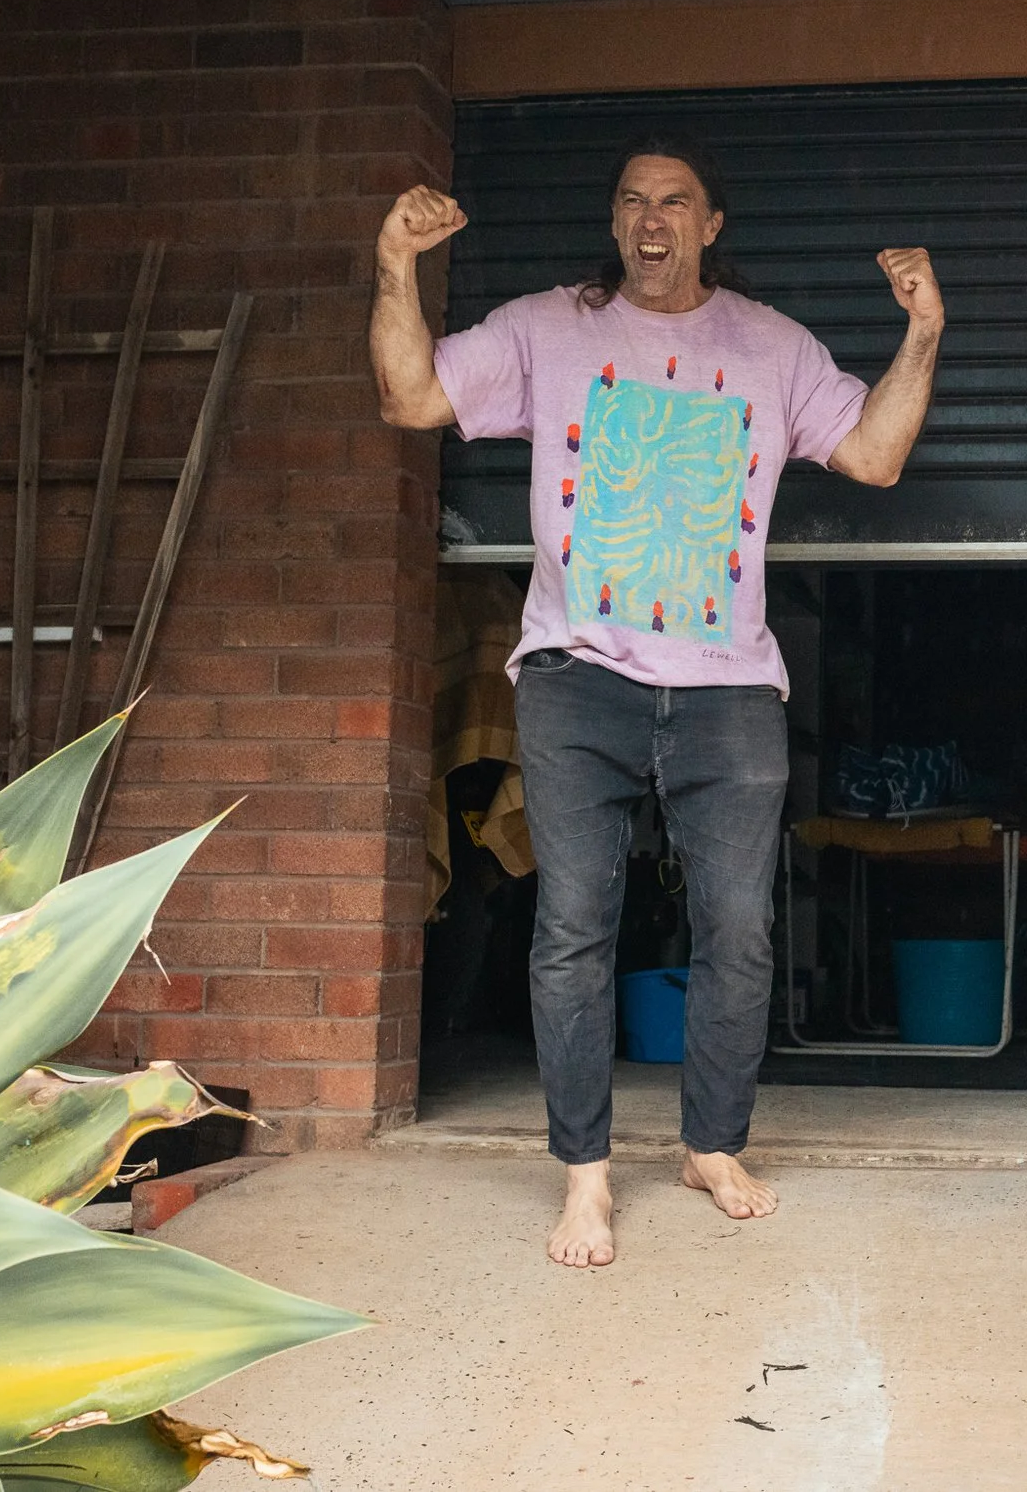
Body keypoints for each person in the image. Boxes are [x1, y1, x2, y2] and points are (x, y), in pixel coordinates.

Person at [368, 133, 944, 1268]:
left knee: (738, 928)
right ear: (615, 218)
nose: (649, 218)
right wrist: (394, 262)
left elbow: (873, 455)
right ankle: (584, 1177)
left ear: (710, 225)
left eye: (674, 201)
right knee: (573, 925)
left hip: (730, 687)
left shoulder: (773, 348)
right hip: (579, 680)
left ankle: (710, 1142)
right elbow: (410, 395)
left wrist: (922, 330)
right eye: (631, 198)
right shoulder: (548, 327)